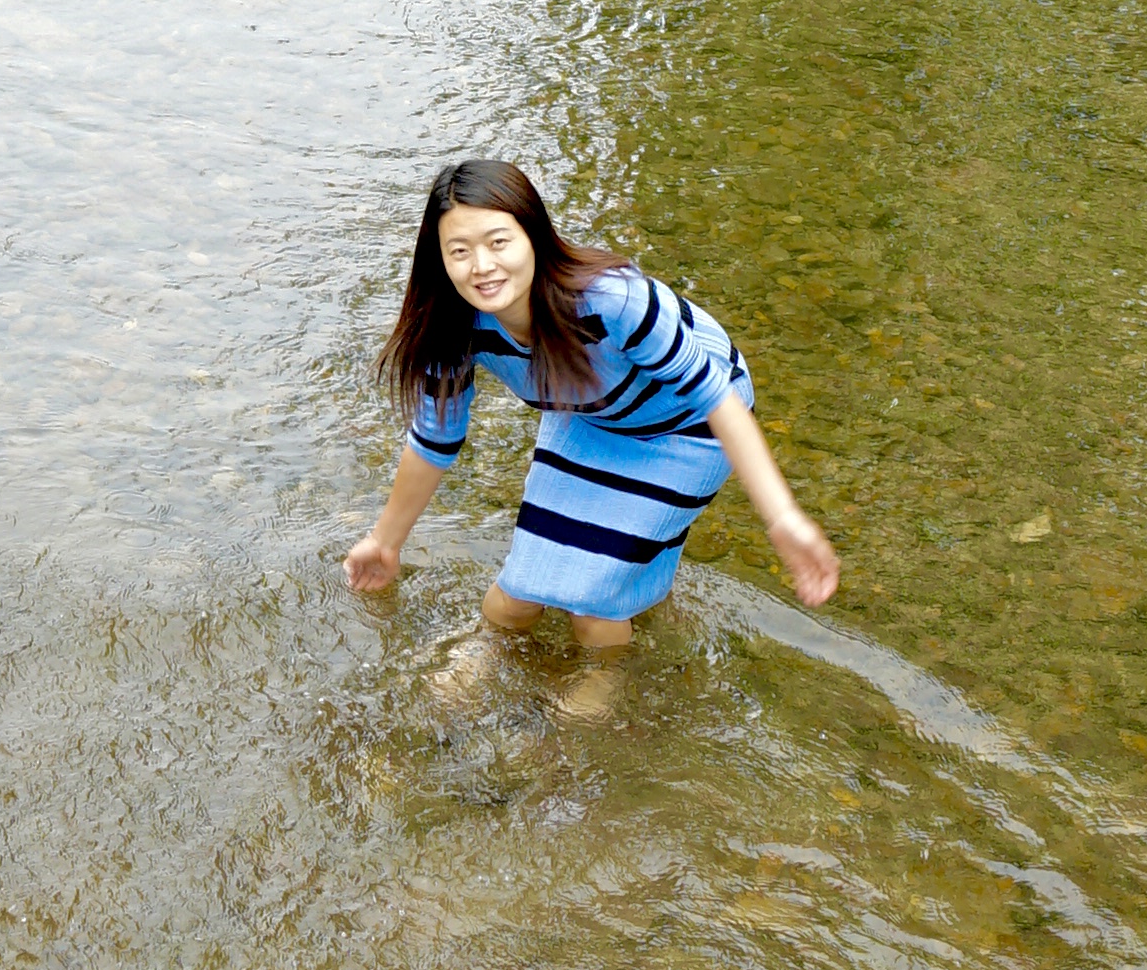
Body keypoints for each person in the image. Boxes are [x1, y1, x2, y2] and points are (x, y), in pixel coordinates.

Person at [343, 153, 839, 693]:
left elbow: (717, 400)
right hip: (590, 418)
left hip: (689, 426)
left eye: (498, 242)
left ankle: (602, 692)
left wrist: (782, 517)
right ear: (439, 262)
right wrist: (385, 543)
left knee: (593, 607)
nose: (481, 266)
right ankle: (492, 657)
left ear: (534, 236)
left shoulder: (613, 301)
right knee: (516, 594)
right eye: (459, 252)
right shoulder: (454, 329)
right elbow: (435, 441)